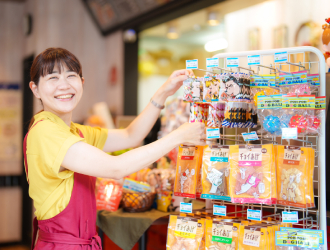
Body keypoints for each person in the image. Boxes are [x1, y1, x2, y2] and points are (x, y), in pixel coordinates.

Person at [24, 48, 206, 250]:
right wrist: (179, 136)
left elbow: (131, 135)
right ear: (35, 89)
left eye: (71, 76)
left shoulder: (74, 131)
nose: (64, 85)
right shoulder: (45, 132)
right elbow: (116, 168)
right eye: (53, 77)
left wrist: (163, 92)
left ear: (81, 83)